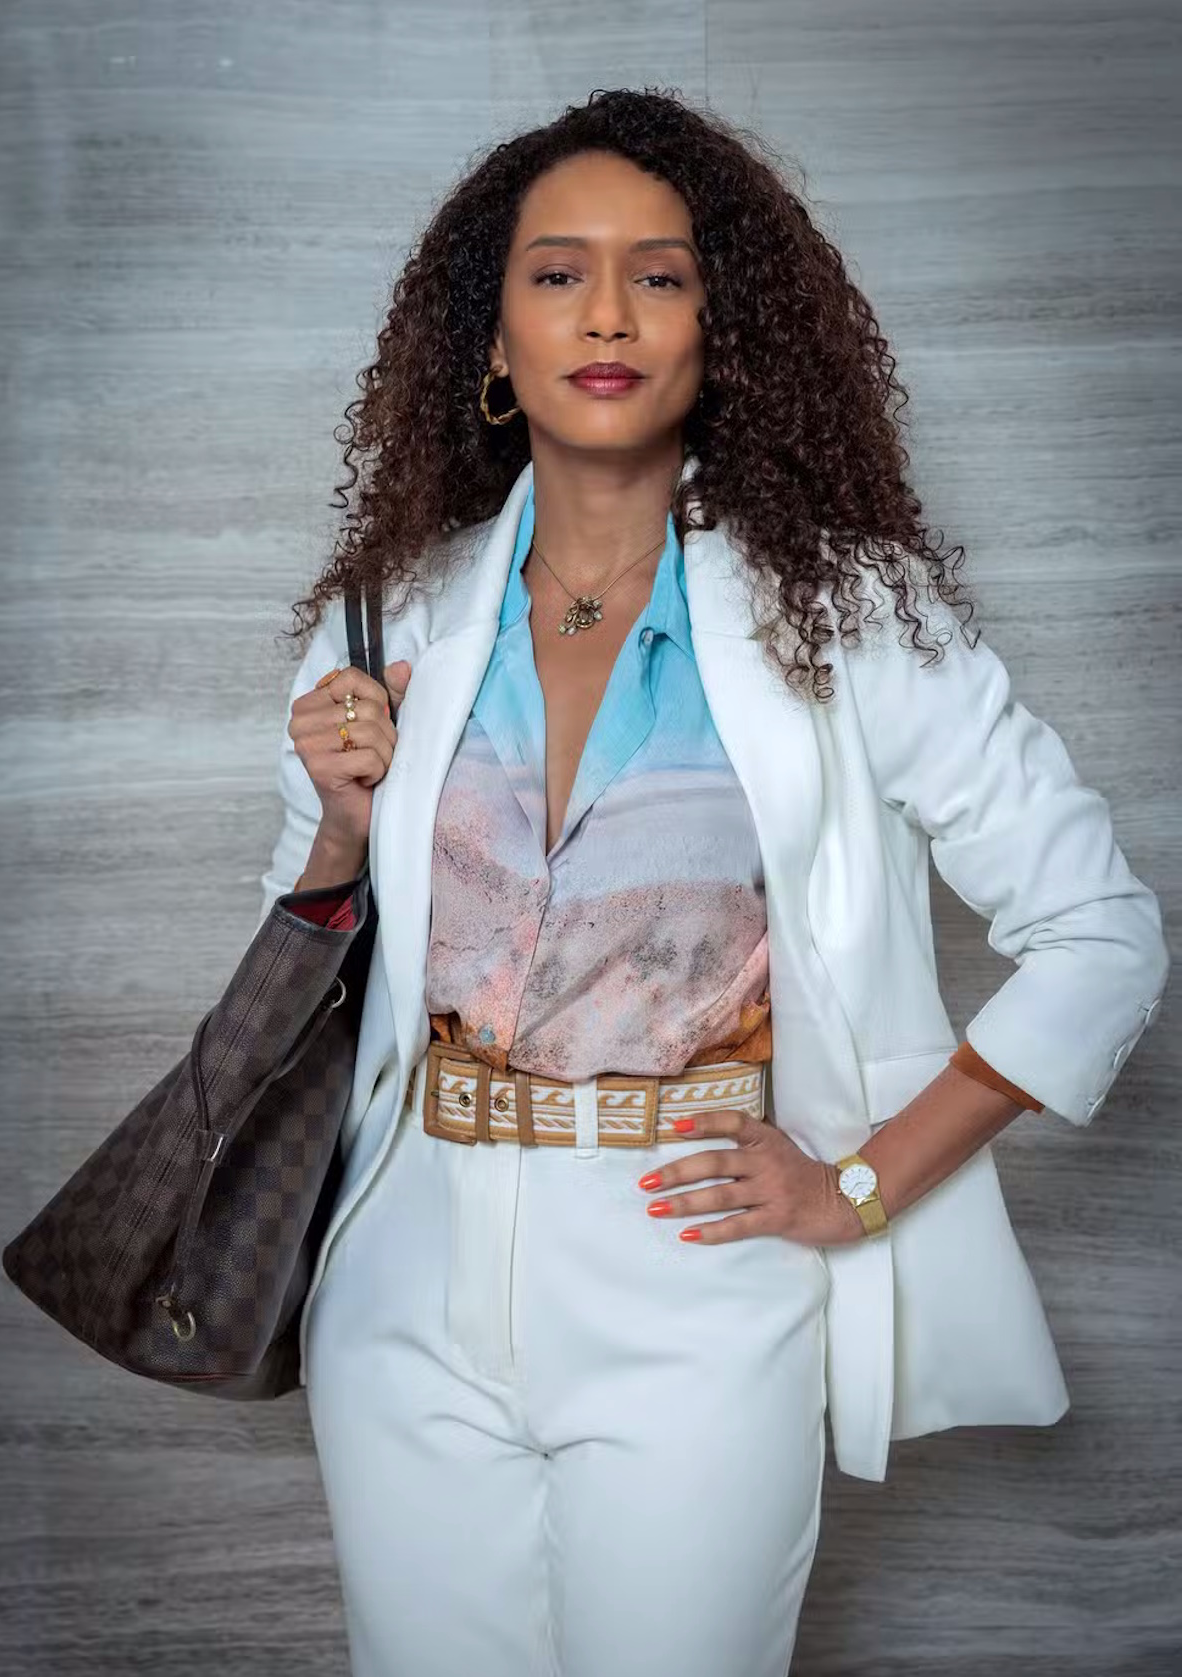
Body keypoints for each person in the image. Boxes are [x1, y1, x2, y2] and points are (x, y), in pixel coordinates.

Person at [258, 89, 1169, 1677]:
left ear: (718, 331)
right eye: (557, 273)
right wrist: (339, 824)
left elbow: (1101, 934)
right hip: (402, 1283)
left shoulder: (849, 617)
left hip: (694, 1286)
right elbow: (302, 970)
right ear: (494, 338)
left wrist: (858, 1185)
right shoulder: (388, 613)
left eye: (659, 274)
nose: (607, 313)